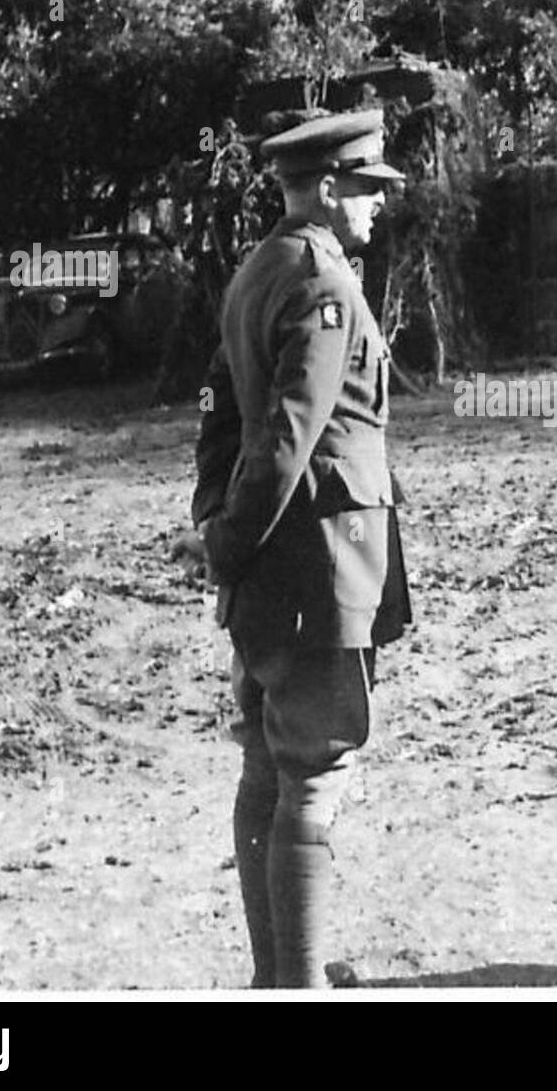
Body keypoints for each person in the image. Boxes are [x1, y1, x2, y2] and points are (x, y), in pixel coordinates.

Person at [172, 108, 411, 988]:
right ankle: (298, 983)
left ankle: (278, 974)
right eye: (366, 189)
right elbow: (285, 435)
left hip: (274, 569)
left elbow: (217, 415)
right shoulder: (322, 284)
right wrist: (228, 539)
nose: (378, 206)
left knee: (268, 765)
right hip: (316, 566)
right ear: (323, 188)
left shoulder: (259, 270)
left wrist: (215, 527)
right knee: (313, 769)